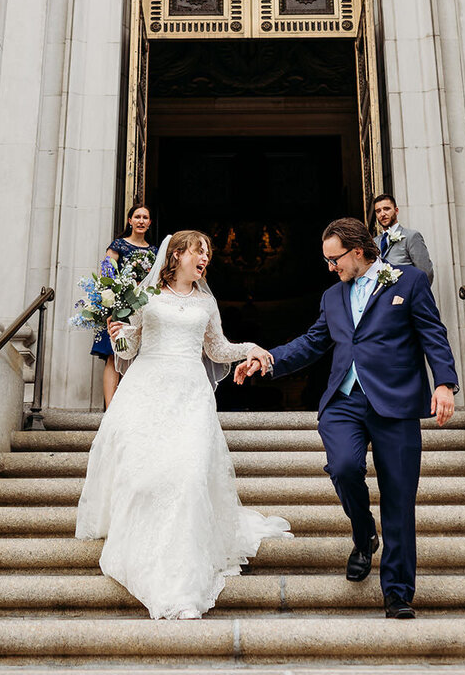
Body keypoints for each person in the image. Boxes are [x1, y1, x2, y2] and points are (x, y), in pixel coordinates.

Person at [234, 216, 458, 620]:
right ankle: (363, 533)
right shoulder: (332, 297)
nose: (331, 267)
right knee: (342, 466)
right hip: (344, 402)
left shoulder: (408, 282)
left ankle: (398, 592)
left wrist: (444, 383)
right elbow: (312, 343)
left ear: (358, 252)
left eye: (334, 259)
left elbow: (433, 334)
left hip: (395, 404)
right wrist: (268, 360)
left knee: (399, 499)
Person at [75, 229, 289, 620]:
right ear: (176, 255)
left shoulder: (206, 303)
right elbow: (129, 348)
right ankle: (142, 551)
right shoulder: (146, 295)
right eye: (199, 251)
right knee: (144, 479)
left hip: (190, 396)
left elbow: (217, 349)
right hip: (146, 390)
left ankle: (181, 585)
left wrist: (251, 348)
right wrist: (117, 336)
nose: (205, 258)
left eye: (207, 253)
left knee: (189, 478)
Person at [94, 205, 157, 408]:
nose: (141, 220)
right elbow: (106, 274)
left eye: (145, 217)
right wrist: (111, 304)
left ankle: (129, 407)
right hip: (118, 309)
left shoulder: (154, 252)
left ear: (149, 223)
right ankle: (111, 407)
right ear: (129, 221)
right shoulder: (119, 245)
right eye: (137, 216)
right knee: (114, 356)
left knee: (138, 357)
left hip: (143, 310)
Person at [373, 193, 434, 284]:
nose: (382, 214)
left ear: (396, 211)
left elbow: (426, 272)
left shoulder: (411, 236)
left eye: (387, 209)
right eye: (378, 211)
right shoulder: (374, 242)